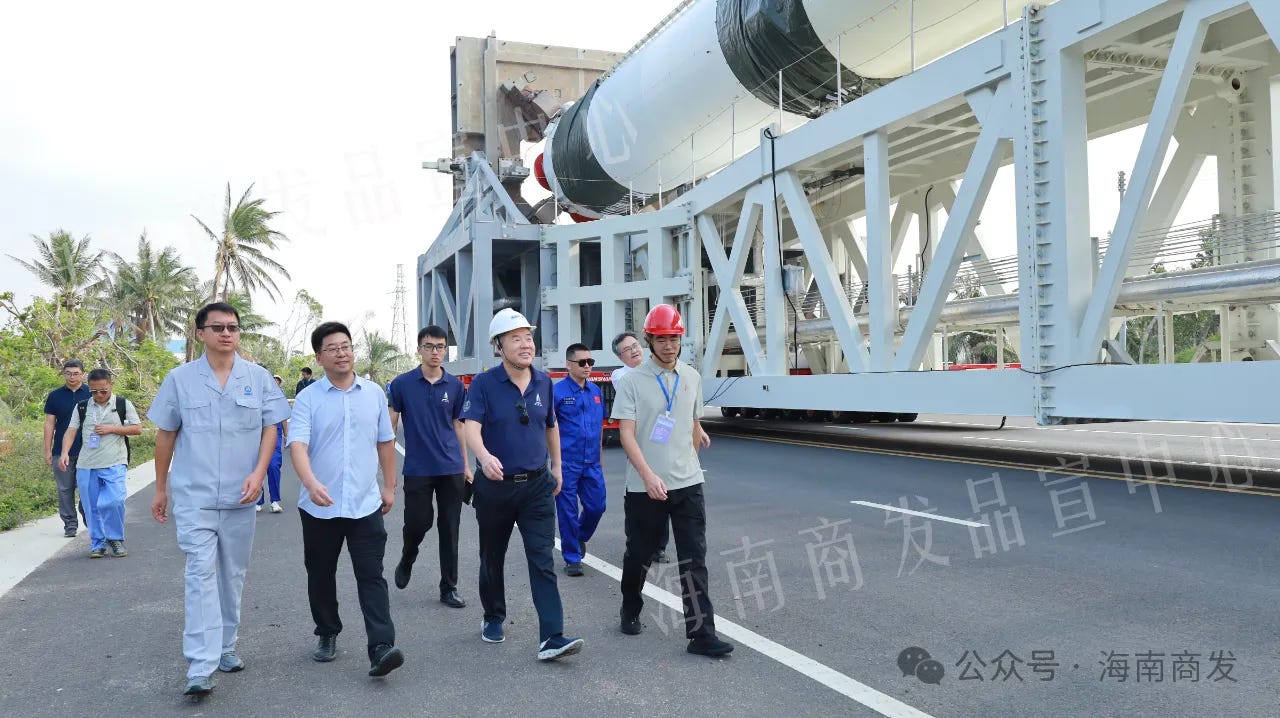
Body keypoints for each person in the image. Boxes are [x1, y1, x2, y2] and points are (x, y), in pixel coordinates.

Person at [149, 302, 290, 696]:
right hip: (194, 495)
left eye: (232, 327)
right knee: (199, 573)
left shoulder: (258, 378)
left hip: (241, 496)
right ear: (200, 334)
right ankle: (200, 663)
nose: (226, 333)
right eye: (217, 327)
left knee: (232, 574)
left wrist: (260, 473)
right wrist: (160, 487)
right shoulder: (179, 379)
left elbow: (271, 428)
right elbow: (166, 435)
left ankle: (226, 645)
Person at [460, 308, 584, 661]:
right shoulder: (484, 383)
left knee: (542, 559)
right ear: (498, 346)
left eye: (528, 337)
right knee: (492, 557)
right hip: (495, 489)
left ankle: (552, 636)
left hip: (536, 487)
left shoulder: (544, 382)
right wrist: (483, 456)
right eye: (515, 339)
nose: (525, 344)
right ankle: (493, 615)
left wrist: (557, 466)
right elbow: (471, 426)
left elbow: (550, 425)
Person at [611, 304, 733, 657]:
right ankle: (630, 607)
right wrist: (648, 476)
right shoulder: (632, 381)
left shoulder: (692, 377)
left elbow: (693, 424)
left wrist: (691, 463)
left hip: (688, 485)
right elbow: (627, 435)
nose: (668, 346)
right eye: (661, 339)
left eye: (674, 338)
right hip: (643, 488)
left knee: (695, 559)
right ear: (649, 340)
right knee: (639, 555)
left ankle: (701, 634)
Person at [289, 322, 404, 678]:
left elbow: (385, 442)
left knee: (371, 575)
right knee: (321, 574)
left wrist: (389, 487)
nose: (342, 353)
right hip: (319, 506)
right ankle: (327, 632)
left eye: (346, 346)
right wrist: (310, 483)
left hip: (364, 503)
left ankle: (381, 647)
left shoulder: (373, 394)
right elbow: (298, 446)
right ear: (319, 357)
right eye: (333, 348)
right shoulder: (309, 397)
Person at [388, 325, 471, 608]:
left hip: (450, 468)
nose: (435, 352)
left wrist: (465, 465)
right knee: (417, 523)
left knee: (450, 528)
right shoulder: (402, 384)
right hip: (418, 468)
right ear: (419, 349)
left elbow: (459, 426)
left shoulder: (457, 386)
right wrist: (386, 470)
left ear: (446, 350)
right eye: (429, 346)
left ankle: (449, 587)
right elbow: (391, 425)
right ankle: (408, 555)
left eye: (440, 347)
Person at [59, 369, 141, 558]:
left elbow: (137, 429)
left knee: (114, 501)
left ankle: (115, 538)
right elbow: (71, 430)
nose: (99, 395)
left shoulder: (122, 404)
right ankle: (97, 543)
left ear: (110, 385)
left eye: (103, 391)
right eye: (94, 391)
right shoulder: (82, 407)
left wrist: (112, 428)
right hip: (87, 464)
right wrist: (64, 452)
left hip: (114, 462)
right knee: (91, 506)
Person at [610, 331, 672, 564]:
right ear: (620, 356)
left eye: (636, 345)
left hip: (662, 440)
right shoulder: (622, 376)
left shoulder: (657, 369)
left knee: (664, 493)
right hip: (638, 443)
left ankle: (660, 546)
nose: (635, 350)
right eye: (628, 349)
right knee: (637, 494)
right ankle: (635, 542)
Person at [552, 343, 605, 577]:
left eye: (590, 362)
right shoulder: (557, 392)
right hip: (567, 462)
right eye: (582, 362)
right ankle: (572, 558)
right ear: (569, 364)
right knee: (567, 511)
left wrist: (600, 456)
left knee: (596, 507)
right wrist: (554, 463)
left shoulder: (595, 391)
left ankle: (579, 536)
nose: (587, 367)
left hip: (592, 462)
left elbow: (599, 427)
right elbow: (548, 428)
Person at [44, 359, 90, 538]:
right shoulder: (55, 396)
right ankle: (70, 524)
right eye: (68, 373)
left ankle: (88, 516)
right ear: (64, 374)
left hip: (88, 450)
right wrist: (48, 450)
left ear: (83, 374)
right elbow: (49, 424)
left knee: (86, 487)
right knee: (64, 489)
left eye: (76, 373)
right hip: (61, 452)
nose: (72, 377)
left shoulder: (91, 393)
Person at [256, 417, 286, 514]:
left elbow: (283, 416)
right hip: (255, 429)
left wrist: (287, 435)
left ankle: (275, 501)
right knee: (256, 465)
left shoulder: (277, 401)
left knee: (273, 466)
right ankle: (258, 501)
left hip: (274, 428)